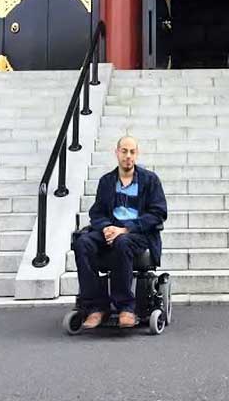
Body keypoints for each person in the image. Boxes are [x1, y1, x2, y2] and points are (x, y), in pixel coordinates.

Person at [74, 136, 168, 330]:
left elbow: (158, 214)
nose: (128, 156)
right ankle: (95, 307)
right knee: (82, 243)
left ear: (137, 154)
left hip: (137, 234)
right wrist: (106, 227)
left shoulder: (150, 180)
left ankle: (126, 307)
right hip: (110, 230)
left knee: (122, 241)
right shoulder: (107, 181)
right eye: (124, 151)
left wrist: (126, 228)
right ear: (116, 153)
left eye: (132, 152)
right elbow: (96, 212)